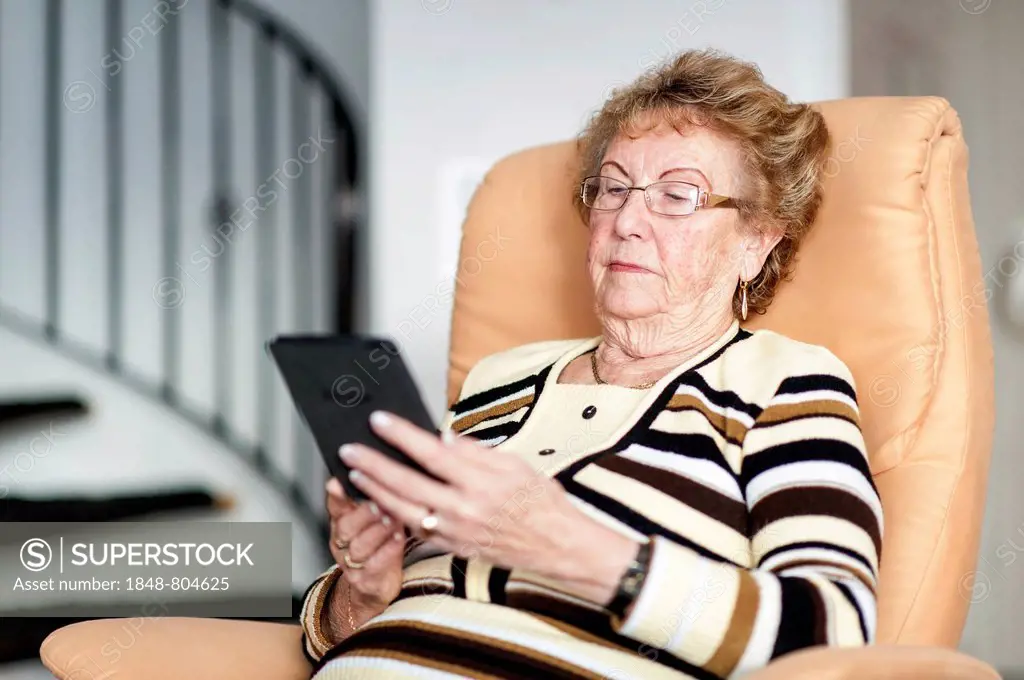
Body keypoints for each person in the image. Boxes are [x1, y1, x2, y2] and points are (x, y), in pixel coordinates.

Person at [299, 48, 882, 680]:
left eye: (678, 195)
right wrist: (364, 588)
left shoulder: (782, 381)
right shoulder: (498, 379)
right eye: (613, 187)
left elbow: (835, 633)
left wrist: (577, 550)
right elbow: (342, 633)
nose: (627, 220)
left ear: (757, 242)